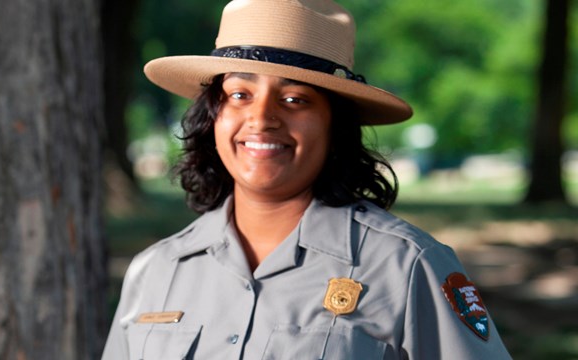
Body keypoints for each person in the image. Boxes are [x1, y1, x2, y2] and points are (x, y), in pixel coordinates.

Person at [102, 0, 512, 359]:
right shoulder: (156, 270)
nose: (261, 118)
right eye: (240, 95)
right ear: (213, 116)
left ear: (336, 125)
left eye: (295, 99)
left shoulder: (406, 267)